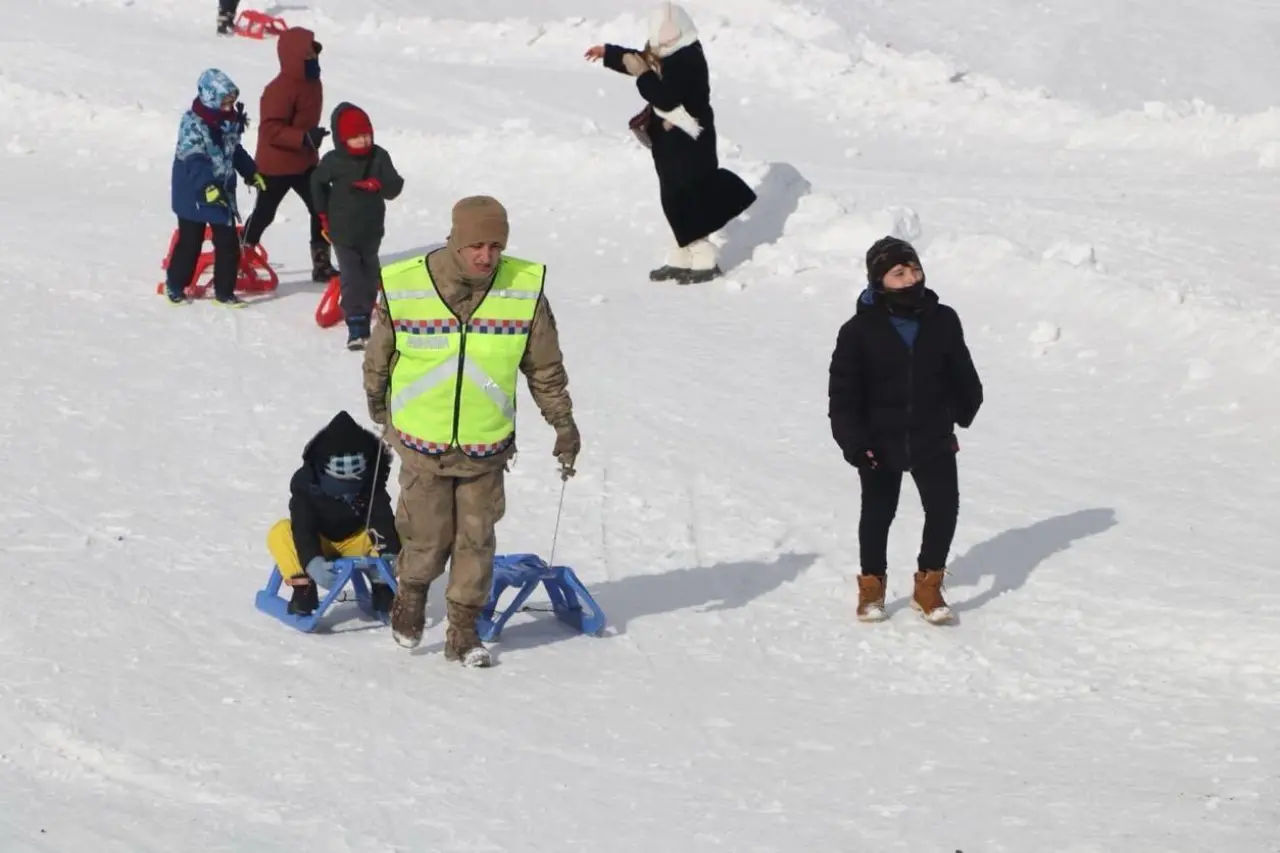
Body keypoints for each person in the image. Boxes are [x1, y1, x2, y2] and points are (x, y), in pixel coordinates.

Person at [362, 196, 581, 666]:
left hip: (486, 443)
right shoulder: (404, 286)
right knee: (425, 534)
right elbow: (378, 357)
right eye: (477, 245)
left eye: (496, 246)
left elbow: (545, 368)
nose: (487, 256)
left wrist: (563, 423)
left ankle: (463, 628)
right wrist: (380, 410)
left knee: (477, 539)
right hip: (423, 442)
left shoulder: (524, 291)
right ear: (456, 240)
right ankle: (412, 596)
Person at [827, 237, 984, 625]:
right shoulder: (858, 331)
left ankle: (928, 587)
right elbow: (843, 394)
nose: (911, 277)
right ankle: (872, 588)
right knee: (879, 513)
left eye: (914, 269)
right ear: (879, 280)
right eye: (899, 273)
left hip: (932, 433)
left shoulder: (942, 318)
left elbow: (962, 370)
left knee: (944, 508)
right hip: (879, 439)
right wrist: (854, 442)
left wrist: (964, 407)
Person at [585, 2, 756, 284]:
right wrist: (610, 53)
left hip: (690, 140)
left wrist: (643, 75)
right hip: (668, 140)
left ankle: (705, 259)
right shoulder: (668, 51)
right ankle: (680, 256)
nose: (656, 42)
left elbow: (664, 96)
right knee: (672, 197)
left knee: (691, 197)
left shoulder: (688, 58)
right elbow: (642, 59)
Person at [266, 411, 400, 616]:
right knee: (280, 532)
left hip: (354, 540)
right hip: (320, 542)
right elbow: (303, 527)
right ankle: (303, 588)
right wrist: (312, 561)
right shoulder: (306, 486)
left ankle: (381, 584)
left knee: (385, 533)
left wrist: (389, 552)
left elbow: (381, 518)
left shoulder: (372, 485)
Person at [242, 27, 335, 283]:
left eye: (314, 54)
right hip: (277, 164)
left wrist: (312, 138)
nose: (313, 58)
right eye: (307, 54)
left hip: (304, 161)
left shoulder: (313, 83)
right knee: (265, 212)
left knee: (321, 208)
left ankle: (322, 263)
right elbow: (271, 128)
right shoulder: (278, 89)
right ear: (293, 56)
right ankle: (242, 252)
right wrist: (303, 137)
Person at [166, 68, 266, 307]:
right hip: (193, 194)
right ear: (210, 98)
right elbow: (194, 159)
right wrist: (207, 187)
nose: (229, 107)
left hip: (221, 192)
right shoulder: (192, 123)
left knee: (228, 243)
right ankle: (176, 285)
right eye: (224, 102)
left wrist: (251, 172)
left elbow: (235, 151)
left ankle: (225, 292)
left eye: (232, 102)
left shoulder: (228, 122)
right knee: (190, 242)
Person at [311, 102, 405, 350]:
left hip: (371, 229)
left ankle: (365, 306)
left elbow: (394, 187)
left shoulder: (379, 156)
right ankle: (357, 325)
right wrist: (322, 213)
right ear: (342, 140)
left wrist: (380, 184)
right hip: (342, 230)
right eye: (355, 137)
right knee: (352, 275)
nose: (363, 141)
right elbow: (317, 183)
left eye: (366, 135)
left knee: (370, 272)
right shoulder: (333, 161)